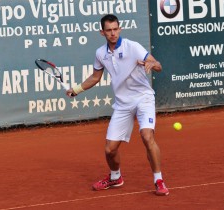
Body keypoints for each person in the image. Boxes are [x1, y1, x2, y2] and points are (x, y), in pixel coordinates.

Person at [66, 14, 169, 196]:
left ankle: (159, 180)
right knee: (110, 149)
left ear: (119, 29)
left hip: (143, 98)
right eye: (109, 30)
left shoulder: (133, 47)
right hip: (122, 103)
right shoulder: (100, 53)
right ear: (102, 32)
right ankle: (115, 178)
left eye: (115, 29)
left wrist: (152, 64)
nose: (113, 33)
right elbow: (96, 77)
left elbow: (158, 65)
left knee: (147, 136)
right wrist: (76, 89)